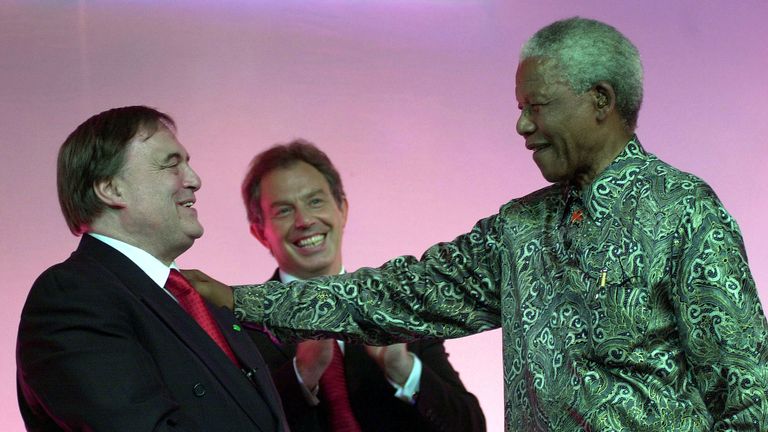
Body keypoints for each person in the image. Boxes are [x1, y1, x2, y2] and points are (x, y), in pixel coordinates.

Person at [191, 17, 768, 431]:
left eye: (536, 106)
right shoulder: (519, 227)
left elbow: (749, 390)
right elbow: (399, 294)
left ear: (600, 100)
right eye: (519, 107)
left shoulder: (685, 211)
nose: (521, 125)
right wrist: (242, 300)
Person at [16, 106, 289, 431]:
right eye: (171, 164)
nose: (194, 180)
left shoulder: (196, 296)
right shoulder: (69, 298)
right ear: (112, 189)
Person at [239, 140, 486, 431]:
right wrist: (300, 376)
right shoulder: (242, 329)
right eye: (283, 211)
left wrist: (403, 370)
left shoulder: (399, 307)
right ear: (259, 233)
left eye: (315, 201)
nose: (304, 220)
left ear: (342, 209)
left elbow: (471, 427)